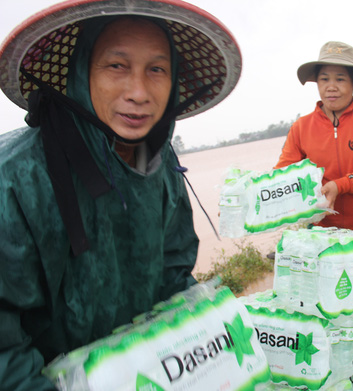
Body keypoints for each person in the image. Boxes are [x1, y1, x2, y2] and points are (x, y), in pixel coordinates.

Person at [0, 1, 241, 389]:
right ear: (82, 72)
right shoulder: (14, 178)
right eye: (117, 66)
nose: (139, 92)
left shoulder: (161, 164)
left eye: (157, 69)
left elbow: (173, 275)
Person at [275, 41, 353, 238]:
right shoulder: (301, 127)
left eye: (340, 79)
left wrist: (340, 185)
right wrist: (247, 201)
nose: (331, 87)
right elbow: (281, 176)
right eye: (324, 79)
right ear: (317, 83)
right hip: (321, 232)